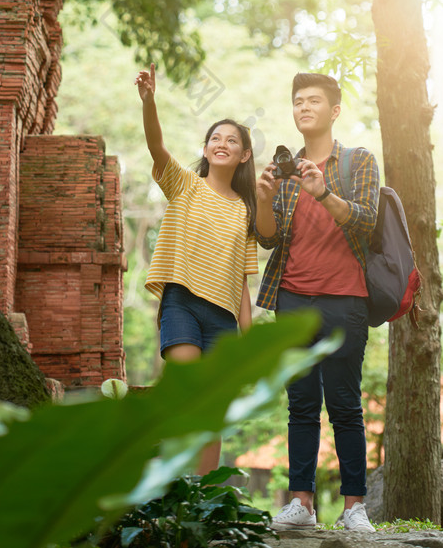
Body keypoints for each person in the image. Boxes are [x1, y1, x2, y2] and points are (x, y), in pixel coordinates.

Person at [254, 72, 379, 533]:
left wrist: (323, 191)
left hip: (345, 298)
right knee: (301, 403)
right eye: (298, 101)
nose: (304, 107)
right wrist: (265, 199)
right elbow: (268, 238)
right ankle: (301, 503)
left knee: (344, 403)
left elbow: (366, 220)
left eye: (313, 101)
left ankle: (354, 507)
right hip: (292, 298)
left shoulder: (358, 161)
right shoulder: (286, 170)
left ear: (334, 110)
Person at [135, 63, 259, 475]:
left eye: (232, 140)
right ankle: (172, 489)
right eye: (215, 138)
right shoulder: (185, 184)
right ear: (206, 149)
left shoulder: (244, 211)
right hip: (182, 304)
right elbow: (156, 146)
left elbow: (241, 281)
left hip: (222, 318)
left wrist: (248, 340)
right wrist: (149, 101)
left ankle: (203, 503)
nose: (222, 144)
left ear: (243, 155)